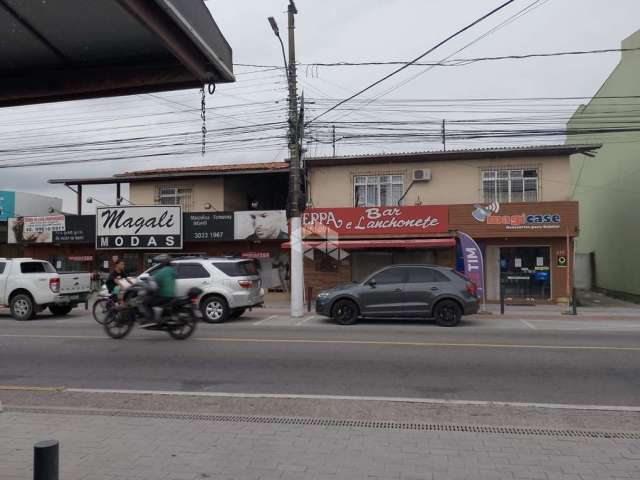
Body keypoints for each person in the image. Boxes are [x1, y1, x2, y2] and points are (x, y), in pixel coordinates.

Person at [144, 254, 177, 324]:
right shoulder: (171, 270)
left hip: (164, 295)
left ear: (163, 263)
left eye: (160, 263)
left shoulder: (162, 271)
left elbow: (156, 281)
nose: (159, 264)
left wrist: (150, 281)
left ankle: (152, 319)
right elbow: (175, 275)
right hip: (172, 294)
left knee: (147, 302)